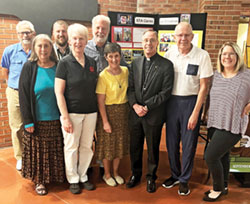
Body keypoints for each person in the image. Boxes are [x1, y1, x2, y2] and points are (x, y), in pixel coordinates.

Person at [162, 22, 213, 195]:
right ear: (174, 37)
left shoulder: (202, 55)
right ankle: (175, 174)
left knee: (189, 144)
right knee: (171, 142)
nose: (183, 38)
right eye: (179, 35)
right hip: (172, 103)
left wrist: (196, 113)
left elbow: (204, 87)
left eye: (186, 35)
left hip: (191, 102)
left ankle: (184, 179)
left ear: (192, 36)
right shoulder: (169, 54)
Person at [126, 30, 174, 193]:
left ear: (157, 42)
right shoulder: (135, 63)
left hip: (154, 114)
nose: (148, 43)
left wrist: (146, 106)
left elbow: (165, 92)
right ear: (142, 42)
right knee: (135, 147)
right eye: (146, 40)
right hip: (135, 114)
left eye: (152, 40)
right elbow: (130, 89)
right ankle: (135, 174)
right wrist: (135, 106)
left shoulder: (166, 65)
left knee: (153, 148)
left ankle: (151, 178)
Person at [203, 42, 250, 202]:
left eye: (231, 53)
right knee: (223, 156)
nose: (227, 57)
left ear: (237, 56)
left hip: (233, 125)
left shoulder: (246, 75)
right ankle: (223, 186)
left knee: (210, 156)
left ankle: (216, 189)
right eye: (224, 54)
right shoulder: (216, 75)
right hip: (215, 122)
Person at [18, 34, 65, 196]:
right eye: (40, 46)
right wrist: (27, 121)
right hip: (37, 121)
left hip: (57, 119)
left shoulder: (59, 66)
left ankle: (55, 176)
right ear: (34, 48)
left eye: (46, 46)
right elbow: (23, 96)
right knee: (39, 153)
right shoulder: (29, 67)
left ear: (51, 48)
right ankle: (40, 180)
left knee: (54, 150)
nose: (43, 49)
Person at [55, 23, 98, 194]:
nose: (78, 42)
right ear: (70, 41)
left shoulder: (92, 62)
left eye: (81, 38)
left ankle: (83, 175)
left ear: (86, 41)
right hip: (71, 113)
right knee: (71, 147)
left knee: (87, 146)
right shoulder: (64, 64)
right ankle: (72, 178)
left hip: (91, 112)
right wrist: (65, 117)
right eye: (75, 38)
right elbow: (59, 93)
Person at [1, 20, 35, 171]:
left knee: (34, 124)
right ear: (18, 34)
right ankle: (20, 157)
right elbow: (5, 70)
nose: (25, 35)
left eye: (28, 32)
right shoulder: (10, 51)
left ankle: (33, 154)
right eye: (22, 32)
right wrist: (12, 85)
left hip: (34, 93)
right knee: (17, 126)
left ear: (33, 33)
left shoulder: (38, 50)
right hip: (15, 92)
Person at [95, 43, 129, 187]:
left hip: (123, 112)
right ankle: (107, 174)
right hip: (108, 112)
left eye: (116, 56)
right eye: (111, 56)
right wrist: (105, 121)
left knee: (119, 145)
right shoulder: (103, 76)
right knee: (107, 145)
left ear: (120, 56)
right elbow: (100, 101)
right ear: (106, 57)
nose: (114, 60)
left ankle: (115, 172)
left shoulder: (126, 71)